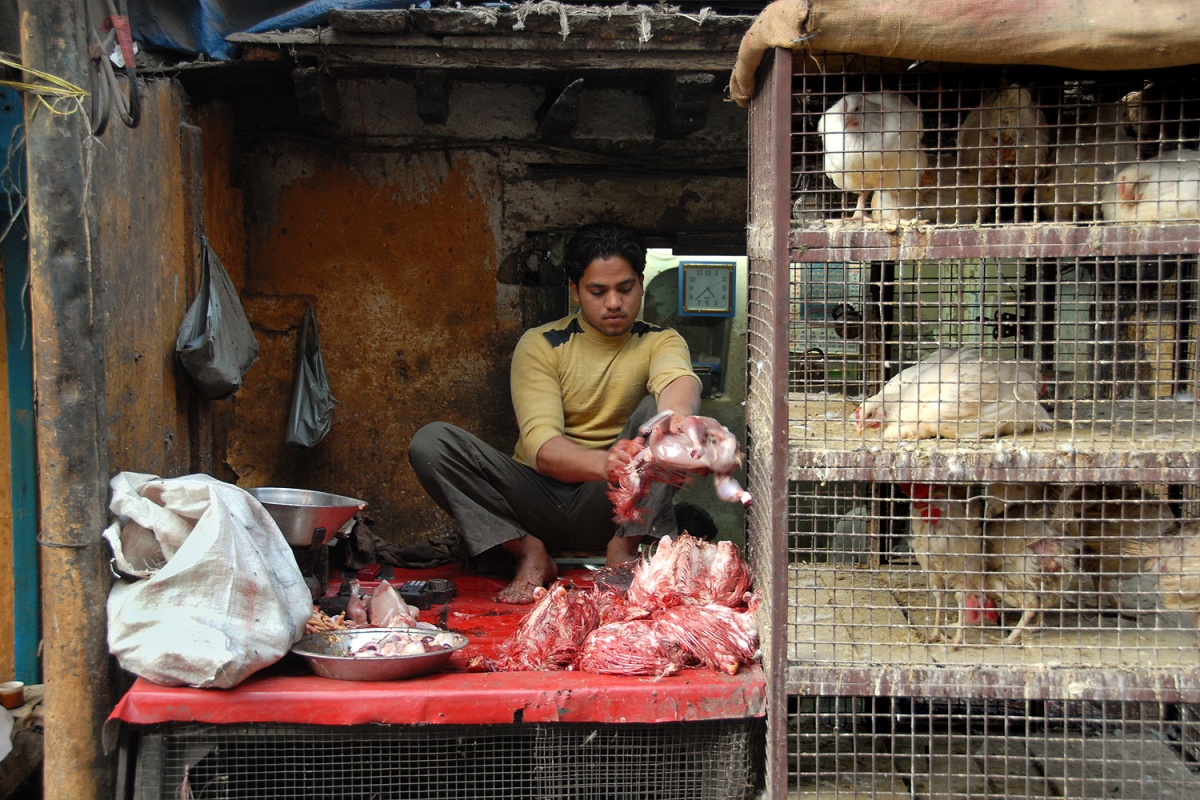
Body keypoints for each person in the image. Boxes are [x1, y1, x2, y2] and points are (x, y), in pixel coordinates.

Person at [408, 222, 702, 603]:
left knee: (663, 421)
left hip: (614, 508)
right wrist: (606, 463)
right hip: (535, 502)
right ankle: (528, 552)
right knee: (432, 443)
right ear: (575, 290)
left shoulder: (659, 340)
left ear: (641, 284)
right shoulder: (542, 344)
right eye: (598, 291)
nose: (614, 303)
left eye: (625, 289)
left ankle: (625, 551)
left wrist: (678, 422)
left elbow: (678, 382)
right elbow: (541, 447)